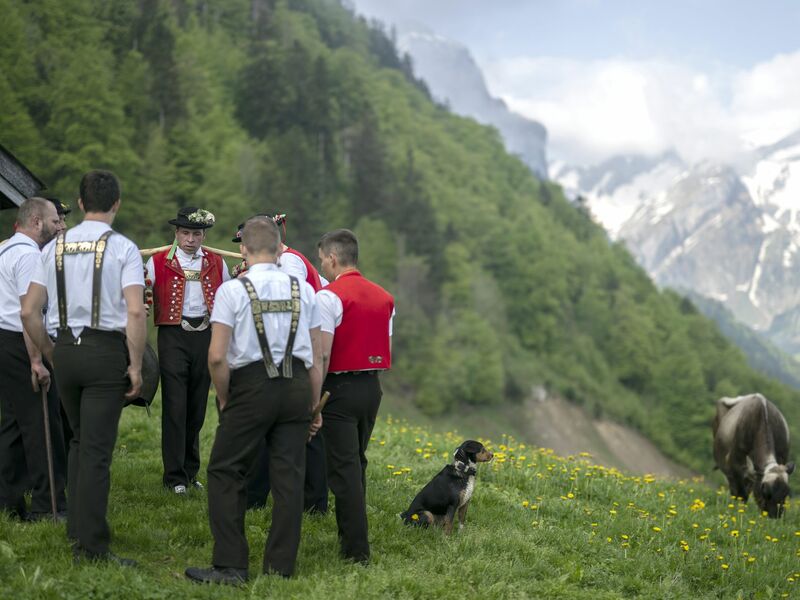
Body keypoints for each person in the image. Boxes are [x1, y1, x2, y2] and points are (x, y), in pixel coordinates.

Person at [185, 216, 322, 585]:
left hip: (250, 384)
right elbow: (317, 355)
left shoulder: (233, 290)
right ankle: (280, 568)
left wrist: (226, 398)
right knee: (289, 477)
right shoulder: (303, 290)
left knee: (225, 469)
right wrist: (313, 405)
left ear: (243, 250)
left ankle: (230, 565)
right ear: (279, 249)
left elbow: (216, 356)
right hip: (295, 385)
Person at [21, 170, 146, 566]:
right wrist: (138, 366)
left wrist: (49, 352)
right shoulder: (123, 248)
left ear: (78, 204)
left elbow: (28, 310)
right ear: (117, 204)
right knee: (95, 451)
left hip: (66, 352)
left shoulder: (51, 249)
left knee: (78, 443)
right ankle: (92, 548)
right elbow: (135, 311)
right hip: (104, 351)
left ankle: (77, 529)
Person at [231, 215, 328, 514]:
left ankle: (312, 502)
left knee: (305, 433)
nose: (242, 252)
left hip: (299, 352)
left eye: (244, 245)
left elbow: (288, 312)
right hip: (295, 352)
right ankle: (263, 497)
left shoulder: (291, 263)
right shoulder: (275, 266)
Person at [316, 228, 394, 564]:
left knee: (344, 469)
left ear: (332, 258)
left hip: (339, 388)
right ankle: (353, 535)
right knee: (356, 461)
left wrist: (313, 398)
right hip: (372, 387)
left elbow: (322, 354)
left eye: (322, 261)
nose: (323, 267)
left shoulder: (329, 296)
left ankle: (356, 550)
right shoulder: (385, 297)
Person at [145, 207, 230, 494]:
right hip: (173, 336)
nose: (190, 239)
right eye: (185, 233)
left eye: (196, 234)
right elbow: (142, 296)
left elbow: (230, 299)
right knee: (175, 406)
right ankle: (174, 477)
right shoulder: (156, 262)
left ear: (204, 235)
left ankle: (190, 472)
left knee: (195, 407)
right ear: (176, 234)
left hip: (206, 335)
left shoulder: (218, 263)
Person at [0, 197, 67, 521]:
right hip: (21, 343)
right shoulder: (29, 257)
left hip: (5, 340)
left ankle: (8, 501)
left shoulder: (7, 249)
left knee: (13, 425)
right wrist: (37, 361)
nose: (60, 226)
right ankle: (48, 506)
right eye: (55, 221)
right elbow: (30, 314)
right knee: (43, 425)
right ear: (37, 222)